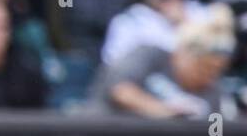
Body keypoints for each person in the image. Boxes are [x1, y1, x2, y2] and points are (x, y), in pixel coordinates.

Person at [92, 7, 235, 117]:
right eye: (204, 68)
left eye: (216, 71)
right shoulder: (149, 55)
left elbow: (216, 135)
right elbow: (120, 91)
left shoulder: (212, 92)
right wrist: (166, 111)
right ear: (183, 55)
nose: (209, 76)